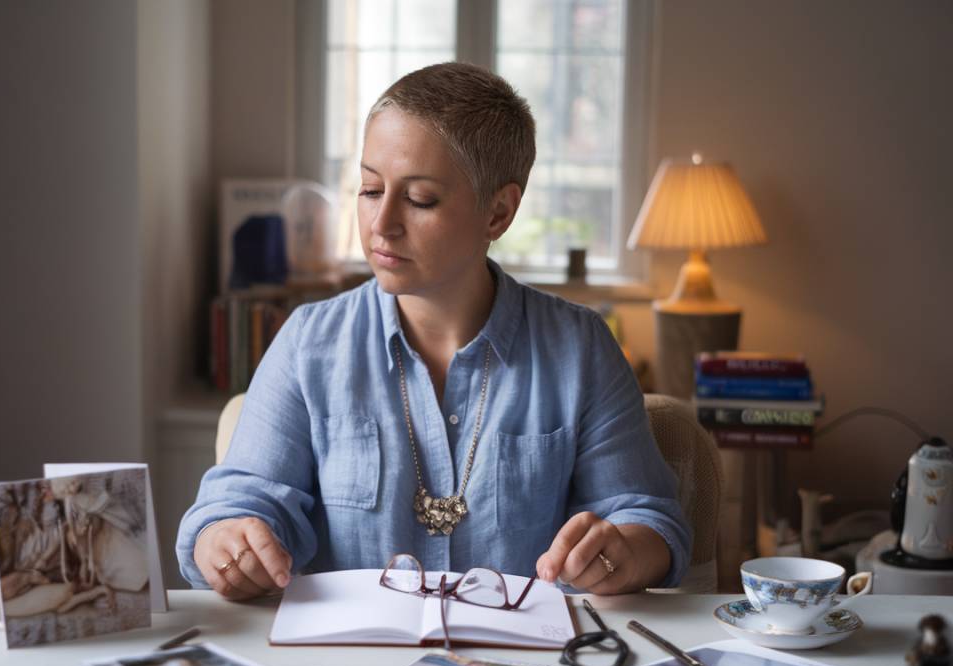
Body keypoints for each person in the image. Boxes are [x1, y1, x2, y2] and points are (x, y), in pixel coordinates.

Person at [176, 62, 691, 601]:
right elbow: (239, 504)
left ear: (498, 213)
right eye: (371, 189)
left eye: (419, 199)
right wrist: (227, 539)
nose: (381, 223)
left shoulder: (580, 348)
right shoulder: (309, 342)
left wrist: (626, 551)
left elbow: (648, 518)